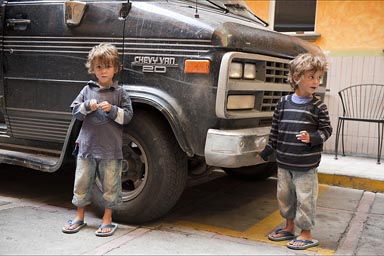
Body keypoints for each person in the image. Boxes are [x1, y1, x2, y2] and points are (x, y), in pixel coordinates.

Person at [258, 53, 332, 250]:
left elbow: (327, 130)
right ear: (297, 77)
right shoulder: (283, 103)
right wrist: (268, 149)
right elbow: (275, 129)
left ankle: (306, 233)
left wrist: (313, 138)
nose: (316, 82)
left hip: (305, 166)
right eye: (311, 77)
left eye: (319, 77)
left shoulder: (318, 107)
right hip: (284, 163)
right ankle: (289, 227)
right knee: (285, 197)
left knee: (305, 200)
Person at [62, 43, 133, 237]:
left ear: (115, 69)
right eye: (99, 67)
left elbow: (127, 117)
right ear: (93, 69)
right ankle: (79, 217)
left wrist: (111, 110)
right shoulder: (87, 90)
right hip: (87, 148)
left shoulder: (120, 93)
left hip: (111, 150)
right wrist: (86, 105)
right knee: (82, 183)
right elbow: (75, 112)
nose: (103, 71)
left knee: (111, 186)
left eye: (107, 66)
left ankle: (107, 219)